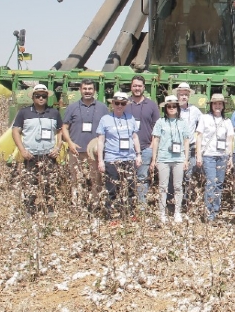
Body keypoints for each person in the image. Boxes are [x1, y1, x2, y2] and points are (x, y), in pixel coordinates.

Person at [12, 83, 63, 213]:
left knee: (50, 185)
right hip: (31, 155)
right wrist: (22, 150)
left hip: (48, 155)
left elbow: (60, 131)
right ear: (33, 97)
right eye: (38, 96)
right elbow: (15, 131)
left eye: (44, 96)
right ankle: (29, 210)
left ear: (47, 97)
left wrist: (57, 148)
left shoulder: (54, 113)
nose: (41, 98)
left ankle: (49, 209)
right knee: (30, 184)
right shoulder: (23, 113)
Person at [61, 79, 108, 209]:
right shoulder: (72, 107)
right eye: (85, 89)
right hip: (76, 150)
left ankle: (94, 206)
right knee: (76, 179)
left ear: (95, 91)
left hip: (94, 152)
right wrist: (70, 143)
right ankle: (77, 206)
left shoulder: (102, 108)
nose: (87, 91)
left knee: (96, 179)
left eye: (90, 89)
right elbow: (64, 127)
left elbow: (108, 128)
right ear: (80, 90)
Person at [95, 91, 142, 220]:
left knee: (131, 187)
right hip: (112, 158)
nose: (119, 106)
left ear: (126, 104)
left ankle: (130, 213)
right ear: (112, 104)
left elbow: (135, 137)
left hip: (129, 158)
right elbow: (100, 140)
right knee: (112, 188)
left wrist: (138, 155)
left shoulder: (130, 118)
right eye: (117, 103)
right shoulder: (105, 119)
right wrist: (101, 161)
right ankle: (112, 216)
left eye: (122, 103)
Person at [149, 95, 191, 224]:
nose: (172, 108)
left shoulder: (183, 122)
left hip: (179, 158)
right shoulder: (160, 122)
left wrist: (186, 159)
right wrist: (154, 159)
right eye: (169, 106)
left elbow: (186, 141)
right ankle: (162, 212)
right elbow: (155, 140)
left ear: (177, 107)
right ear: (165, 108)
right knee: (163, 186)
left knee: (178, 186)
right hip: (163, 158)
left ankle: (177, 212)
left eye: (174, 106)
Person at [195, 94, 234, 221]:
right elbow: (199, 136)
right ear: (211, 105)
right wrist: (198, 154)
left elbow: (230, 139)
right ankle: (209, 212)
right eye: (215, 103)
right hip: (208, 155)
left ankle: (215, 211)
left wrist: (230, 157)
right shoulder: (205, 118)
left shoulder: (227, 121)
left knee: (219, 184)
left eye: (220, 104)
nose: (217, 106)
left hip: (222, 156)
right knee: (211, 183)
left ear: (223, 106)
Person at [126, 76, 159, 207]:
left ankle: (141, 207)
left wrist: (152, 146)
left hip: (145, 148)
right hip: (127, 149)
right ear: (131, 87)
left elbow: (157, 127)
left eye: (140, 86)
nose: (137, 88)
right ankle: (128, 207)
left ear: (144, 87)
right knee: (127, 179)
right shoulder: (125, 104)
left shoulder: (151, 105)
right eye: (135, 86)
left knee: (142, 178)